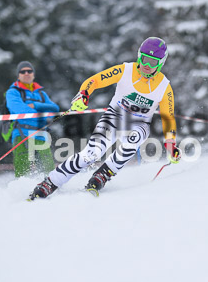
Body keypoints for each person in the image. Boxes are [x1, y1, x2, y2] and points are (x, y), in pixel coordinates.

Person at [28, 37, 180, 199]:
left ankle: (102, 175)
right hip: (114, 117)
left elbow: (168, 118)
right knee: (92, 153)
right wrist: (83, 95)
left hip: (139, 124)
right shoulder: (126, 70)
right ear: (139, 56)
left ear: (161, 63)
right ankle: (50, 182)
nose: (147, 66)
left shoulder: (164, 87)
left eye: (153, 62)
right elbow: (95, 80)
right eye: (144, 59)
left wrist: (170, 143)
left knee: (133, 140)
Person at [6, 61, 60, 177]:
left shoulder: (41, 93)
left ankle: (51, 191)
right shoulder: (13, 92)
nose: (26, 73)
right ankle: (21, 192)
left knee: (48, 169)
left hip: (41, 134)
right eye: (23, 71)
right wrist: (42, 112)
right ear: (18, 75)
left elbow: (54, 109)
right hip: (21, 133)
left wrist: (35, 106)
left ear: (33, 74)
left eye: (29, 71)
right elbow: (20, 111)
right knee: (22, 171)